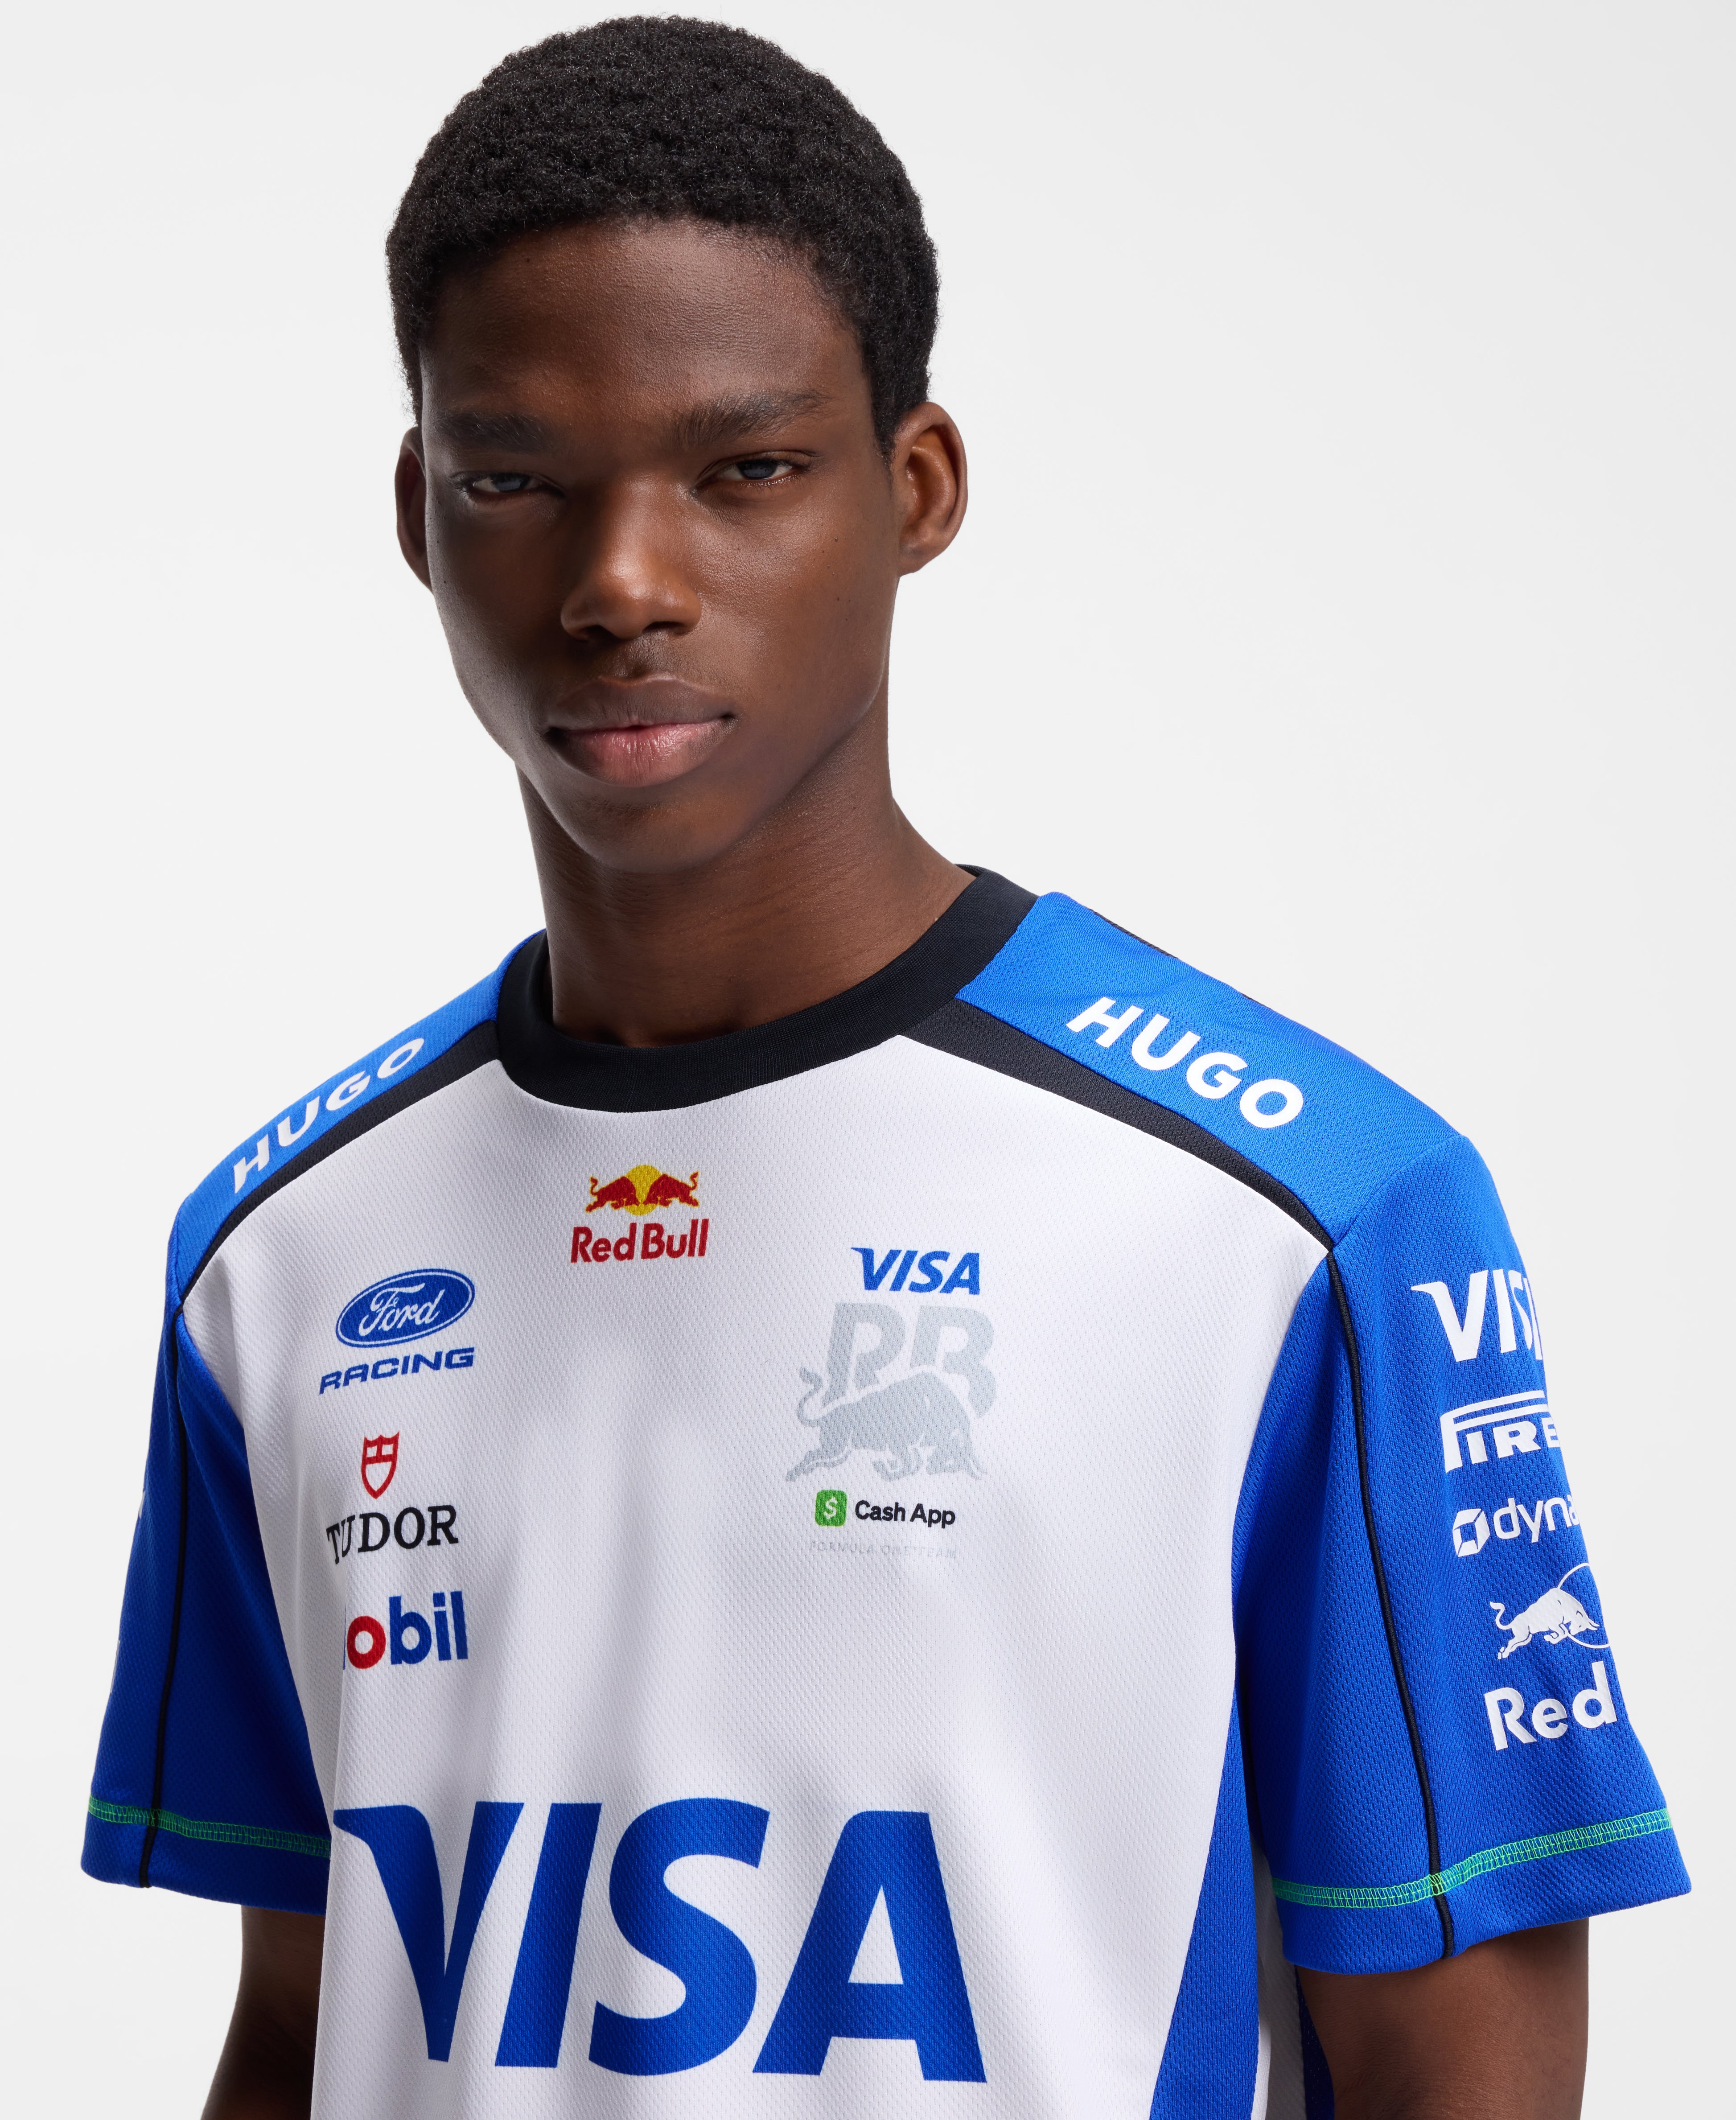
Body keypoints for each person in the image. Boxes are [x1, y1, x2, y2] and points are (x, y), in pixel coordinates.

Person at [82, 18, 1686, 2118]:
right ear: (419, 512)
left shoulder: (1298, 1223)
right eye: (515, 479)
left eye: (742, 470)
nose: (620, 583)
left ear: (912, 490)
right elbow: (309, 2026)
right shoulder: (279, 1254)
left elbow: (1450, 2067)